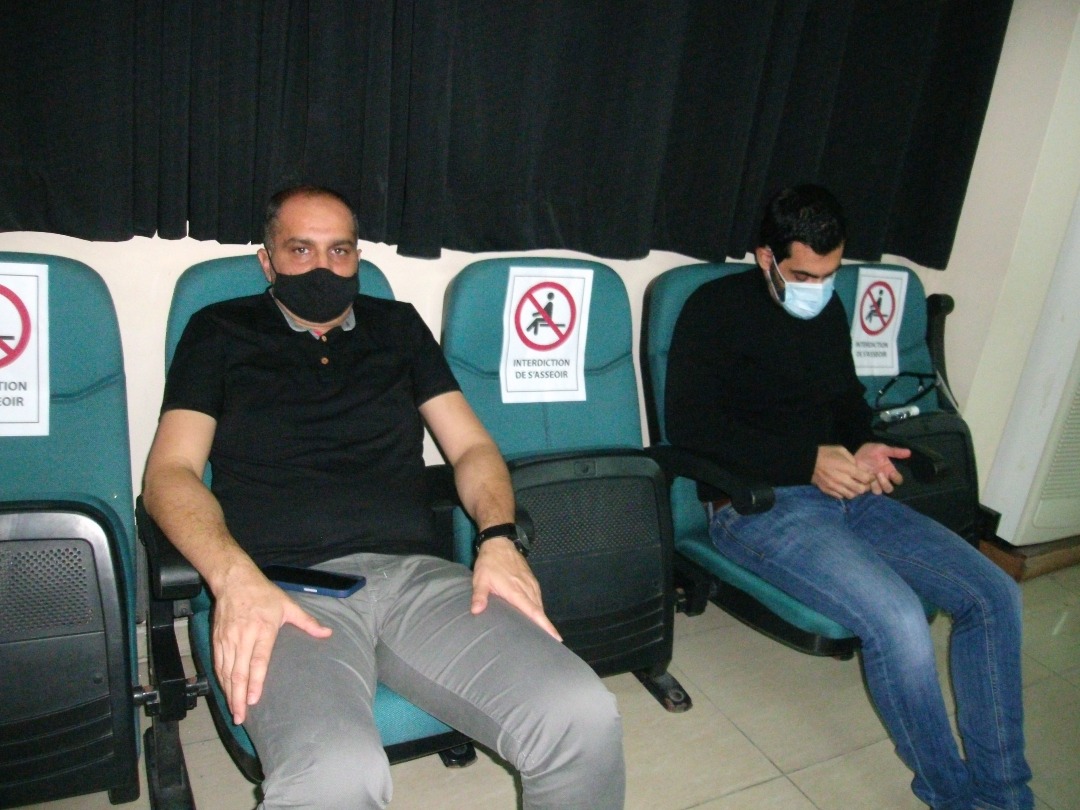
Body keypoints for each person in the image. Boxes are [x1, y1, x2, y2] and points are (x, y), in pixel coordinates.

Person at [142, 185, 625, 810]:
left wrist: (498, 539)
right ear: (267, 260)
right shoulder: (220, 331)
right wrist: (233, 578)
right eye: (300, 250)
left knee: (581, 715)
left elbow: (472, 449)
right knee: (336, 777)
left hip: (417, 577)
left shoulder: (398, 327)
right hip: (284, 590)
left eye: (340, 251)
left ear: (358, 257)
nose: (323, 268)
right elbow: (170, 473)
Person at [665, 184, 1032, 810]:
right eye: (804, 275)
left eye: (830, 274)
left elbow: (845, 401)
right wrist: (807, 462)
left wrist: (865, 444)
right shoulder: (714, 310)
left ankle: (1005, 797)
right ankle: (954, 797)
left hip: (848, 493)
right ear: (766, 257)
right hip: (756, 508)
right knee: (898, 620)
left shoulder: (828, 310)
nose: (818, 288)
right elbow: (693, 430)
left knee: (994, 595)